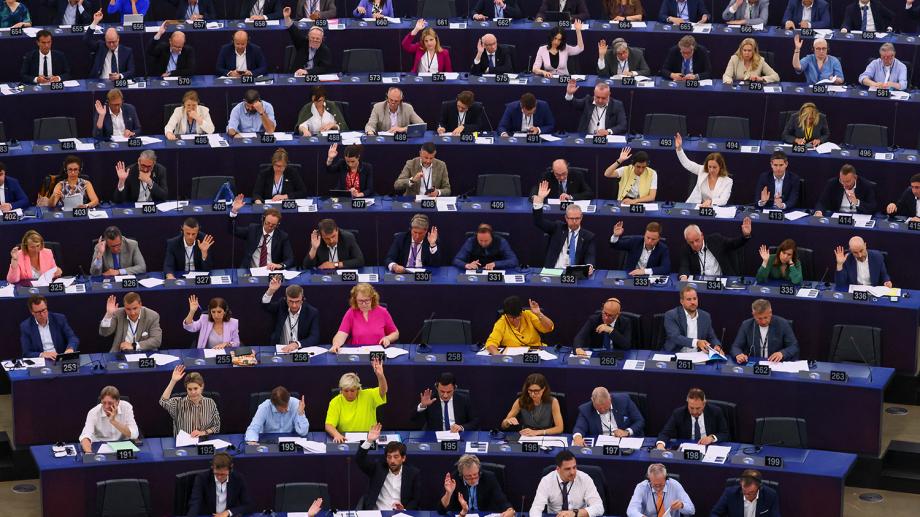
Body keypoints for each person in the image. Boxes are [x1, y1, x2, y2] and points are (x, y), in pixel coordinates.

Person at [532, 181, 597, 271]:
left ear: (581, 217)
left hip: (573, 274)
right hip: (553, 272)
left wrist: (590, 266)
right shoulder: (557, 228)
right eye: (571, 218)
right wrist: (539, 201)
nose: (574, 222)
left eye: (577, 218)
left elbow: (590, 256)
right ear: (566, 218)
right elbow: (539, 222)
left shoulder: (588, 236)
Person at [356, 423, 421, 510]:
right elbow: (359, 460)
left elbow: (416, 500)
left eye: (396, 457)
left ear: (403, 458)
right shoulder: (378, 469)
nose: (392, 461)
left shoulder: (413, 473)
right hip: (377, 513)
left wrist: (404, 509)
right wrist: (369, 441)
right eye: (389, 457)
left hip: (399, 514)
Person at [325, 359, 388, 442]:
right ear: (341, 390)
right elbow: (329, 425)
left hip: (369, 437)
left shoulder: (368, 395)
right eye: (346, 391)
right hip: (346, 439)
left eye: (352, 390)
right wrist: (336, 434)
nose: (349, 394)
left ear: (358, 389)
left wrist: (380, 376)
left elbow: (383, 391)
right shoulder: (335, 402)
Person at [529, 450, 604, 517]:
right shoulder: (546, 481)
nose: (572, 472)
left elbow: (599, 508)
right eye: (567, 469)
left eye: (574, 467)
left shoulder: (585, 479)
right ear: (558, 469)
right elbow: (536, 509)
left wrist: (575, 513)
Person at [229, 196, 294, 270]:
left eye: (273, 225)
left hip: (271, 272)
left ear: (278, 224)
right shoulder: (253, 229)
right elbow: (233, 230)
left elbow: (290, 259)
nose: (270, 227)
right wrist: (234, 211)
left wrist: (280, 265)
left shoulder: (282, 236)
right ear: (262, 219)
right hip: (250, 270)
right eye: (267, 223)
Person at [677, 217, 753, 279]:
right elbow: (684, 266)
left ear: (702, 235)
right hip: (701, 285)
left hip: (721, 281)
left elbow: (733, 244)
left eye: (697, 240)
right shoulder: (686, 249)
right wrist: (683, 277)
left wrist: (745, 236)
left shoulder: (715, 240)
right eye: (691, 242)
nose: (695, 244)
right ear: (687, 242)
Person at [331, 283, 399, 351]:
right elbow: (341, 334)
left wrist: (388, 338)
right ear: (355, 300)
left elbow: (395, 333)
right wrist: (336, 344)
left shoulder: (382, 312)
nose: (364, 304)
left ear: (372, 299)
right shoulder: (351, 312)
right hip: (358, 352)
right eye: (360, 301)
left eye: (367, 300)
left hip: (377, 353)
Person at [440, 454, 514, 516]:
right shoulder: (454, 479)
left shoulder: (489, 477)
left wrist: (510, 510)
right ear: (461, 474)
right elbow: (441, 511)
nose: (473, 479)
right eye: (468, 476)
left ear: (479, 471)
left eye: (475, 475)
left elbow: (501, 500)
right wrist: (448, 494)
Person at [656, 388, 730, 449]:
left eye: (698, 408)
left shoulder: (715, 412)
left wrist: (712, 438)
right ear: (687, 403)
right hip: (687, 449)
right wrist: (660, 445)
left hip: (709, 448)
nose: (694, 412)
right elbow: (665, 433)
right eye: (691, 408)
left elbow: (724, 433)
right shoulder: (679, 413)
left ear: (704, 404)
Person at [730, 299, 800, 363]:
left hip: (775, 363)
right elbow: (735, 347)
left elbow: (794, 346)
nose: (763, 322)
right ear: (754, 315)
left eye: (766, 317)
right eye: (759, 318)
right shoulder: (746, 325)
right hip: (754, 363)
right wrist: (738, 354)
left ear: (770, 313)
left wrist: (782, 353)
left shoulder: (783, 324)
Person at [159, 365, 221, 437]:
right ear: (186, 389)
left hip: (203, 441)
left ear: (202, 387)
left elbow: (216, 426)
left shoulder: (210, 402)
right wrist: (173, 381)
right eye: (190, 389)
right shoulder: (178, 402)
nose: (193, 392)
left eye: (195, 388)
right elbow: (163, 402)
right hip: (183, 443)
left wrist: (203, 433)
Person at [262, 277, 320, 352]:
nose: (294, 305)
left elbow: (315, 337)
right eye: (291, 301)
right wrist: (271, 291)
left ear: (302, 300)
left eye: (297, 301)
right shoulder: (281, 305)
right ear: (285, 299)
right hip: (281, 349)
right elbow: (265, 306)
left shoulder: (311, 312)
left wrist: (297, 344)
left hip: (300, 350)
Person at [186, 452, 252, 517]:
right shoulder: (202, 478)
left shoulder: (238, 479)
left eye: (223, 474)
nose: (219, 477)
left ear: (230, 469)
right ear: (212, 468)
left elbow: (249, 505)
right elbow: (195, 503)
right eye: (216, 474)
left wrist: (228, 512)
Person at [572, 387, 644, 446]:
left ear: (610, 398)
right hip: (601, 447)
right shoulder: (586, 409)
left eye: (606, 408)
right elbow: (579, 427)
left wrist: (627, 432)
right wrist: (577, 437)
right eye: (599, 408)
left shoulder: (624, 400)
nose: (603, 410)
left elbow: (639, 421)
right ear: (592, 401)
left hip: (625, 443)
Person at [676, 133, 733, 207]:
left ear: (721, 167)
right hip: (696, 206)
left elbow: (723, 200)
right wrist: (679, 149)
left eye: (714, 167)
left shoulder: (727, 181)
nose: (711, 170)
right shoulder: (702, 170)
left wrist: (710, 202)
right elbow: (687, 164)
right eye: (709, 167)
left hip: (714, 210)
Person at [663, 285, 722, 354]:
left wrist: (717, 345)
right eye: (689, 299)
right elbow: (675, 337)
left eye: (694, 298)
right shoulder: (671, 315)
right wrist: (696, 342)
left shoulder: (705, 316)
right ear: (682, 301)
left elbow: (712, 337)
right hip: (676, 353)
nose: (693, 302)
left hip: (698, 354)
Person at [79, 385, 139, 453]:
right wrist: (89, 453)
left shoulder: (126, 407)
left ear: (118, 402)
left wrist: (113, 421)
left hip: (123, 446)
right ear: (101, 401)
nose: (106, 406)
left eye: (110, 403)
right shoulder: (93, 412)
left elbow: (134, 434)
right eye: (104, 403)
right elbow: (85, 436)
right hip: (100, 447)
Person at [412, 372, 479, 431]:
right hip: (435, 437)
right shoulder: (430, 399)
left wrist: (461, 427)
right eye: (442, 391)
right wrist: (423, 406)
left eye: (449, 392)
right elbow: (413, 419)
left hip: (458, 435)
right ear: (436, 387)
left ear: (455, 387)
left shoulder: (464, 399)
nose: (445, 395)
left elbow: (475, 421)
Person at [486, 297, 554, 354]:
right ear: (506, 314)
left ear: (521, 313)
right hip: (512, 356)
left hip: (535, 352)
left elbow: (549, 327)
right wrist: (499, 356)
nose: (514, 320)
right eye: (511, 317)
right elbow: (491, 343)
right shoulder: (502, 322)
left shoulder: (528, 315)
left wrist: (539, 314)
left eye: (517, 317)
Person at [19, 295, 78, 359]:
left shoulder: (59, 319)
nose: (42, 314)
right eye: (38, 312)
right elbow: (26, 353)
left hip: (60, 357)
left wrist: (70, 349)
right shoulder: (26, 326)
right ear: (32, 312)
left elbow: (72, 338)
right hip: (42, 360)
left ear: (46, 307)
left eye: (44, 310)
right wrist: (42, 354)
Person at [244, 386, 309, 444]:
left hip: (290, 442)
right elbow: (253, 429)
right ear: (273, 404)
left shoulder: (296, 404)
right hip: (269, 441)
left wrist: (301, 413)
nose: (286, 410)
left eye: (287, 405)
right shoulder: (264, 407)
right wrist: (252, 441)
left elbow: (303, 432)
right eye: (282, 408)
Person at [626, 464, 695, 517]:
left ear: (666, 478)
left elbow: (692, 510)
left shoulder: (675, 485)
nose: (658, 488)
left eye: (661, 484)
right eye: (655, 485)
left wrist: (682, 505)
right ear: (649, 479)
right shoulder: (641, 487)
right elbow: (631, 510)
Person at [85, 10, 135, 80]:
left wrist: (120, 76)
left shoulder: (127, 51)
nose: (111, 45)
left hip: (118, 84)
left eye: (114, 42)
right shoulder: (100, 47)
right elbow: (86, 40)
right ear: (105, 40)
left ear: (118, 39)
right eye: (109, 42)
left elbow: (131, 71)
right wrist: (95, 22)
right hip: (100, 82)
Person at [814, 164, 878, 217]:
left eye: (847, 181)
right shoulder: (833, 183)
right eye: (842, 181)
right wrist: (818, 212)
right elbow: (822, 202)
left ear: (855, 177)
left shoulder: (866, 185)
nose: (844, 184)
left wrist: (857, 202)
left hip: (858, 217)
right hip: (838, 217)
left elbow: (872, 208)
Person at [284, 7, 332, 75]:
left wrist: (307, 72)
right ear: (308, 37)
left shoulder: (325, 50)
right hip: (297, 74)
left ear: (322, 39)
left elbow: (324, 68)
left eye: (317, 39)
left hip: (313, 77)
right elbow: (293, 31)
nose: (315, 40)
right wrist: (287, 17)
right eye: (312, 38)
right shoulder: (302, 43)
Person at [712, 470, 780, 516]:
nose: (747, 496)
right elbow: (715, 513)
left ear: (759, 487)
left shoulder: (771, 495)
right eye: (744, 491)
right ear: (741, 484)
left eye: (751, 492)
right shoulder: (730, 493)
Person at [452, 224, 519, 270]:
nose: (483, 243)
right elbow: (456, 260)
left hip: (495, 271)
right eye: (480, 240)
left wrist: (496, 264)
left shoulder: (501, 242)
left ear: (491, 237)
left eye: (486, 241)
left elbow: (514, 261)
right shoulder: (471, 241)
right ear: (477, 236)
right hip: (475, 272)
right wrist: (467, 265)